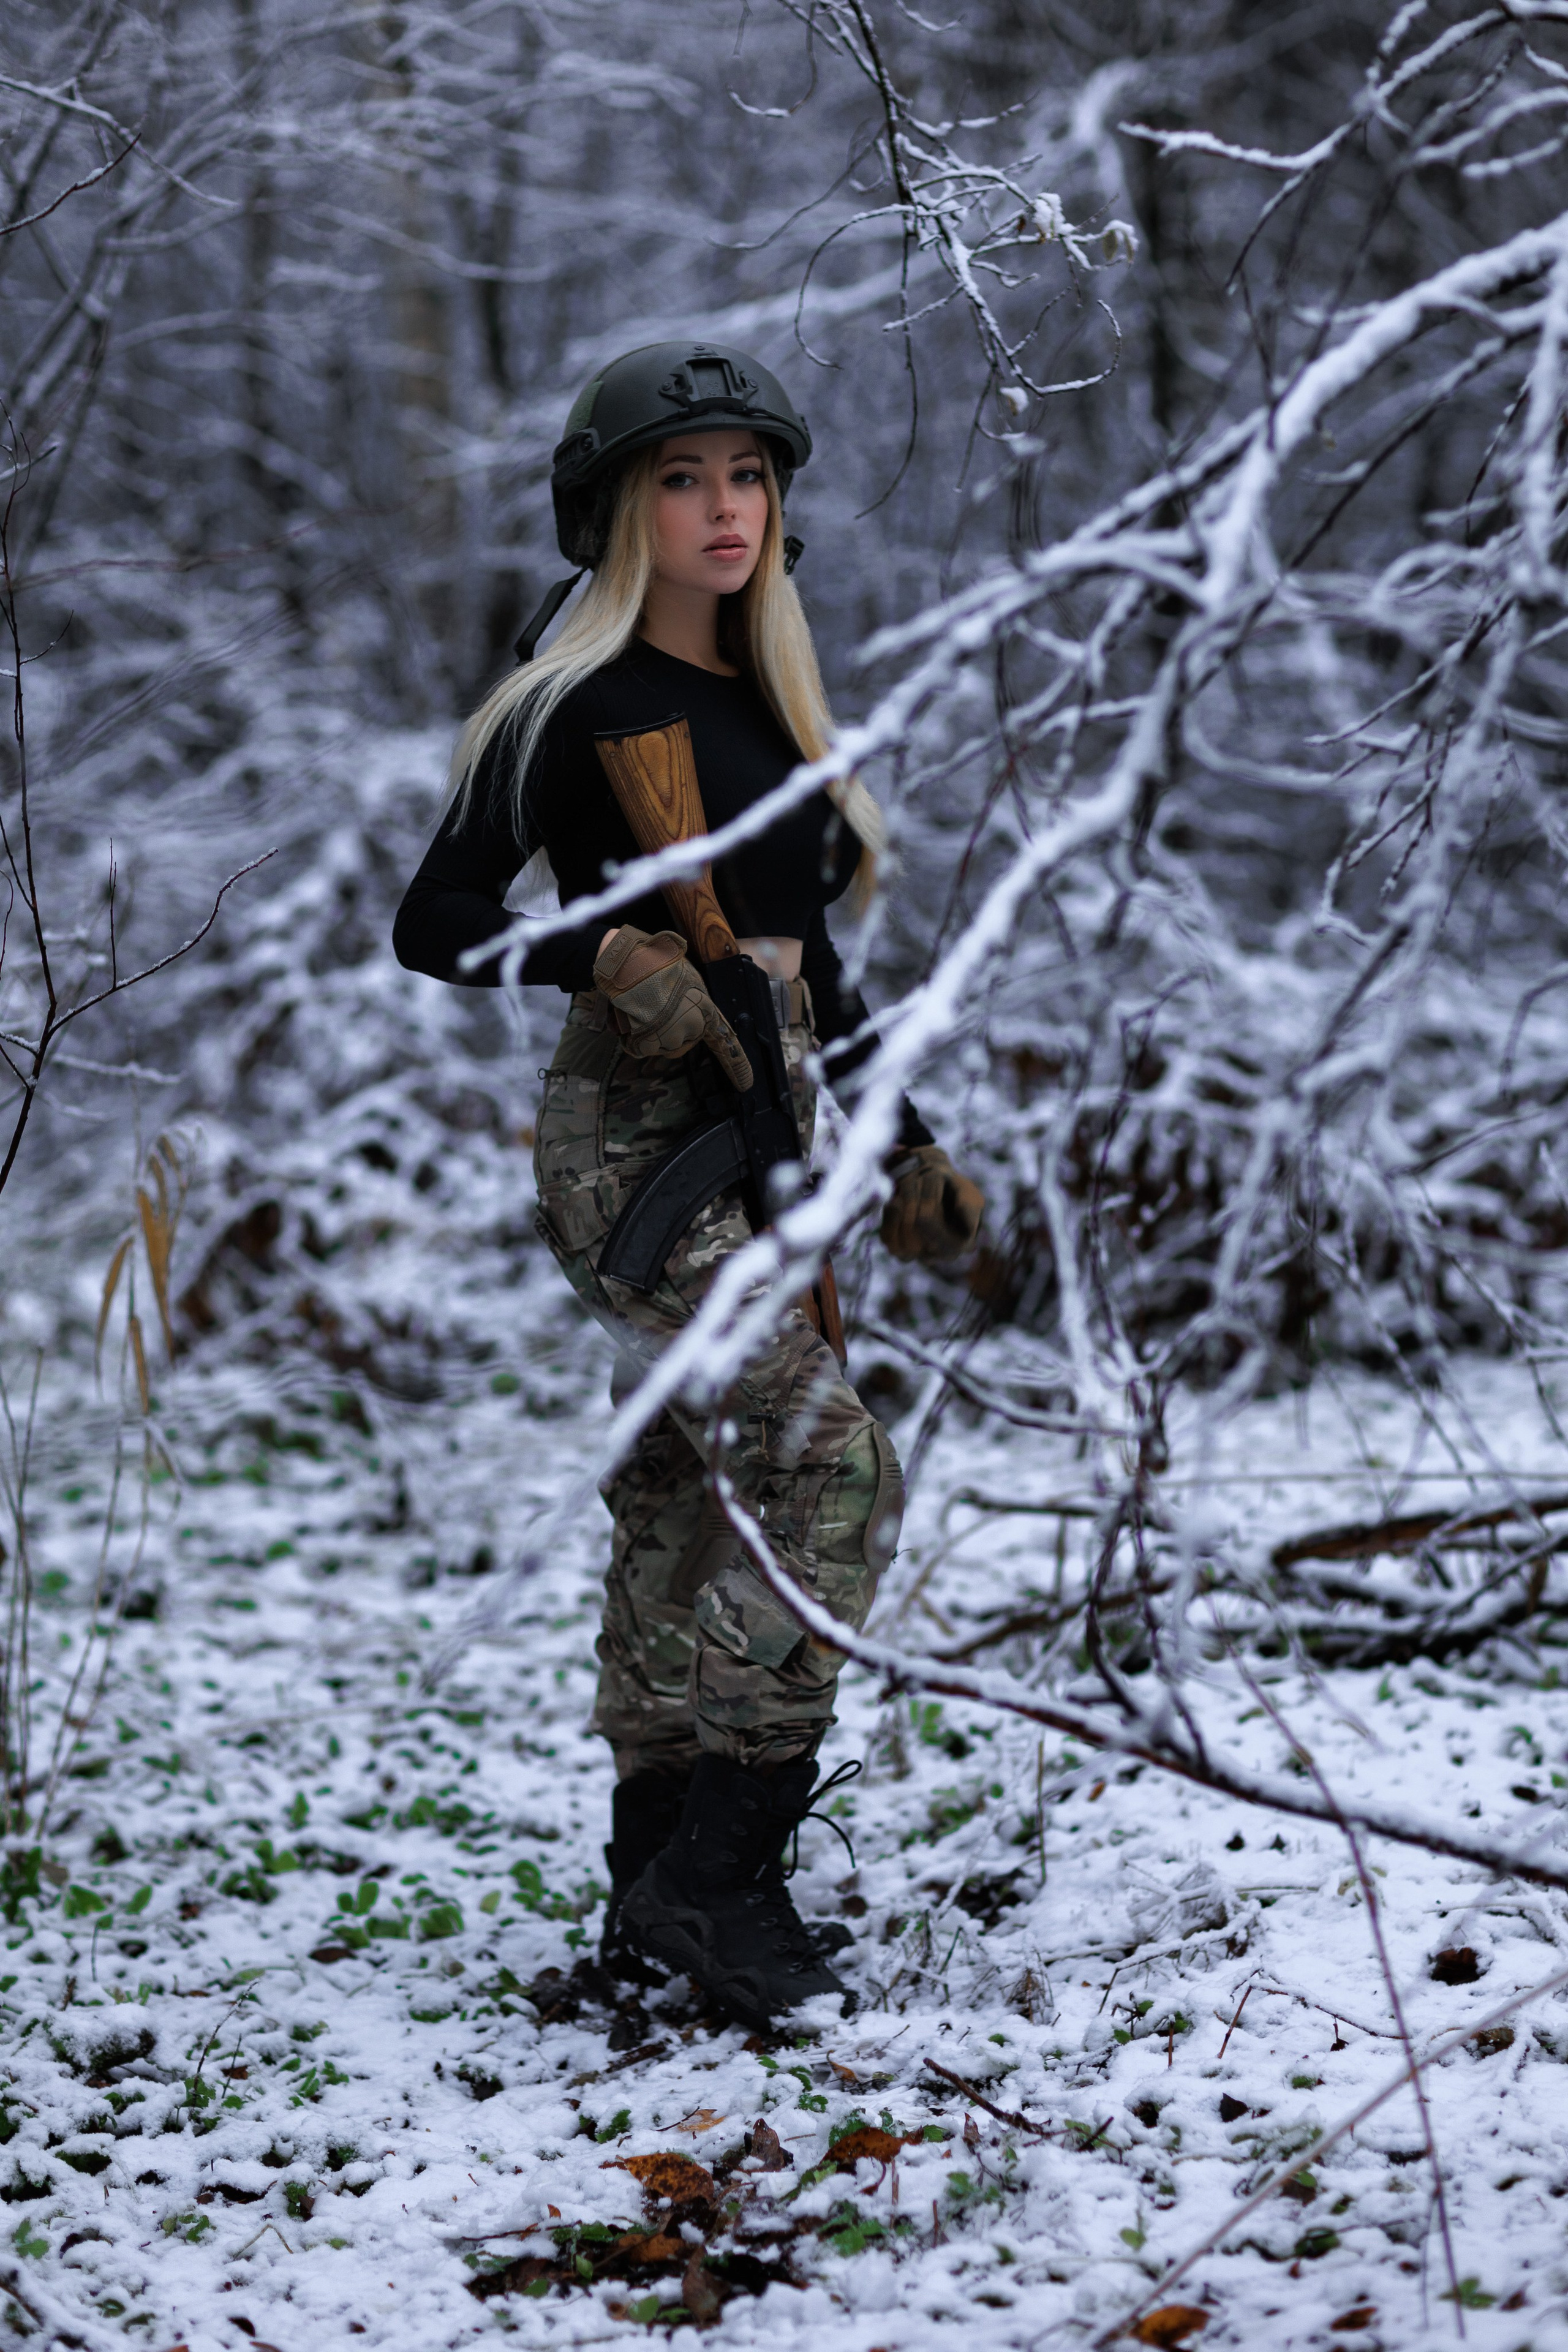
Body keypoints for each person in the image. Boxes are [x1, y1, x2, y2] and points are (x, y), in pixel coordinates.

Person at [394, 340, 984, 2032]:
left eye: (748, 476)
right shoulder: (568, 704)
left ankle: (650, 1886)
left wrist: (906, 1137)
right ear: (614, 506)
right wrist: (602, 954)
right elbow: (435, 922)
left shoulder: (776, 704)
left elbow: (813, 973)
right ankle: (724, 1877)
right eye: (682, 478)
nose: (725, 509)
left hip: (771, 1113)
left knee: (683, 1496)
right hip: (638, 1151)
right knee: (833, 1469)